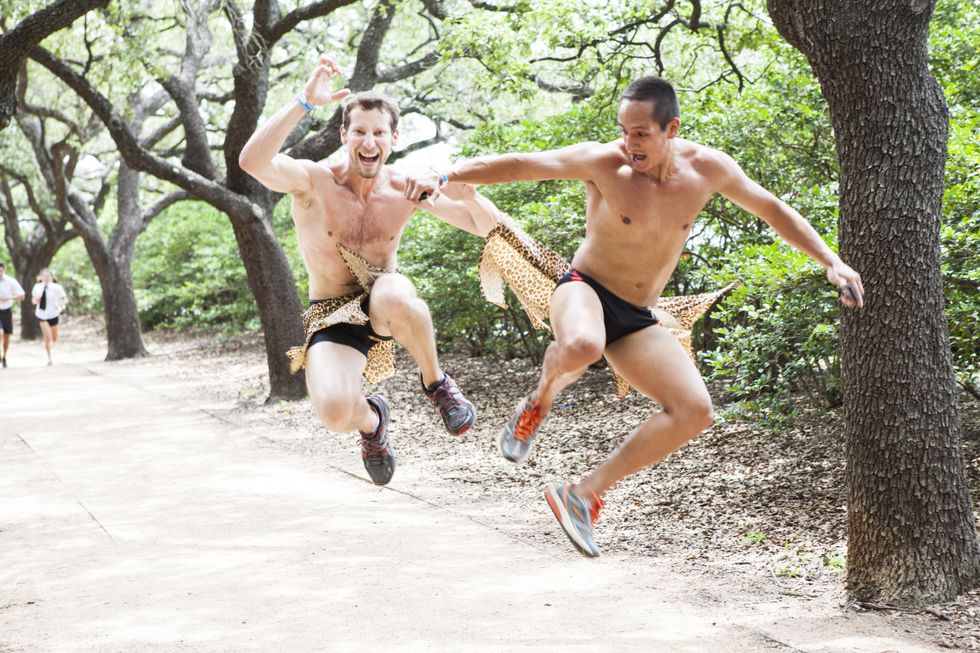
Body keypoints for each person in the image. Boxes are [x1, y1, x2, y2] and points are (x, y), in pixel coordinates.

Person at [405, 76, 865, 557]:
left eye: (641, 133)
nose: (629, 143)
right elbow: (526, 164)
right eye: (624, 131)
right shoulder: (606, 163)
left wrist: (830, 260)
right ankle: (537, 402)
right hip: (583, 290)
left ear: (672, 129)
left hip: (637, 317)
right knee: (582, 346)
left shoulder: (707, 170)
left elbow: (772, 209)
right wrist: (444, 172)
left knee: (695, 411)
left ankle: (581, 494)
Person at [239, 55, 500, 486]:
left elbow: (485, 227)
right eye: (359, 131)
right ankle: (372, 420)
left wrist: (466, 193)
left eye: (379, 132)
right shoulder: (312, 181)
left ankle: (436, 384)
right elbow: (252, 161)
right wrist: (303, 102)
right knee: (335, 412)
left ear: (394, 138)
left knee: (394, 293)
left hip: (384, 302)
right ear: (344, 135)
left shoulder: (406, 188)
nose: (369, 141)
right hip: (331, 314)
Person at [31, 268, 68, 366]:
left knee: (54, 338)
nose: (46, 278)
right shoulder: (37, 287)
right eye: (44, 276)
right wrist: (36, 300)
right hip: (42, 314)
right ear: (41, 277)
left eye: (48, 276)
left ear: (51, 277)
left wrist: (61, 305)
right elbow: (33, 301)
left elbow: (64, 298)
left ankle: (51, 350)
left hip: (53, 314)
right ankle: (49, 357)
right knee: (48, 337)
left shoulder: (57, 287)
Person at [0, 262, 26, 368]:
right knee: (0, 333)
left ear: (4, 270)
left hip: (6, 310)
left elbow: (22, 296)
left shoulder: (10, 281)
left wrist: (9, 298)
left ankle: (4, 357)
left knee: (6, 336)